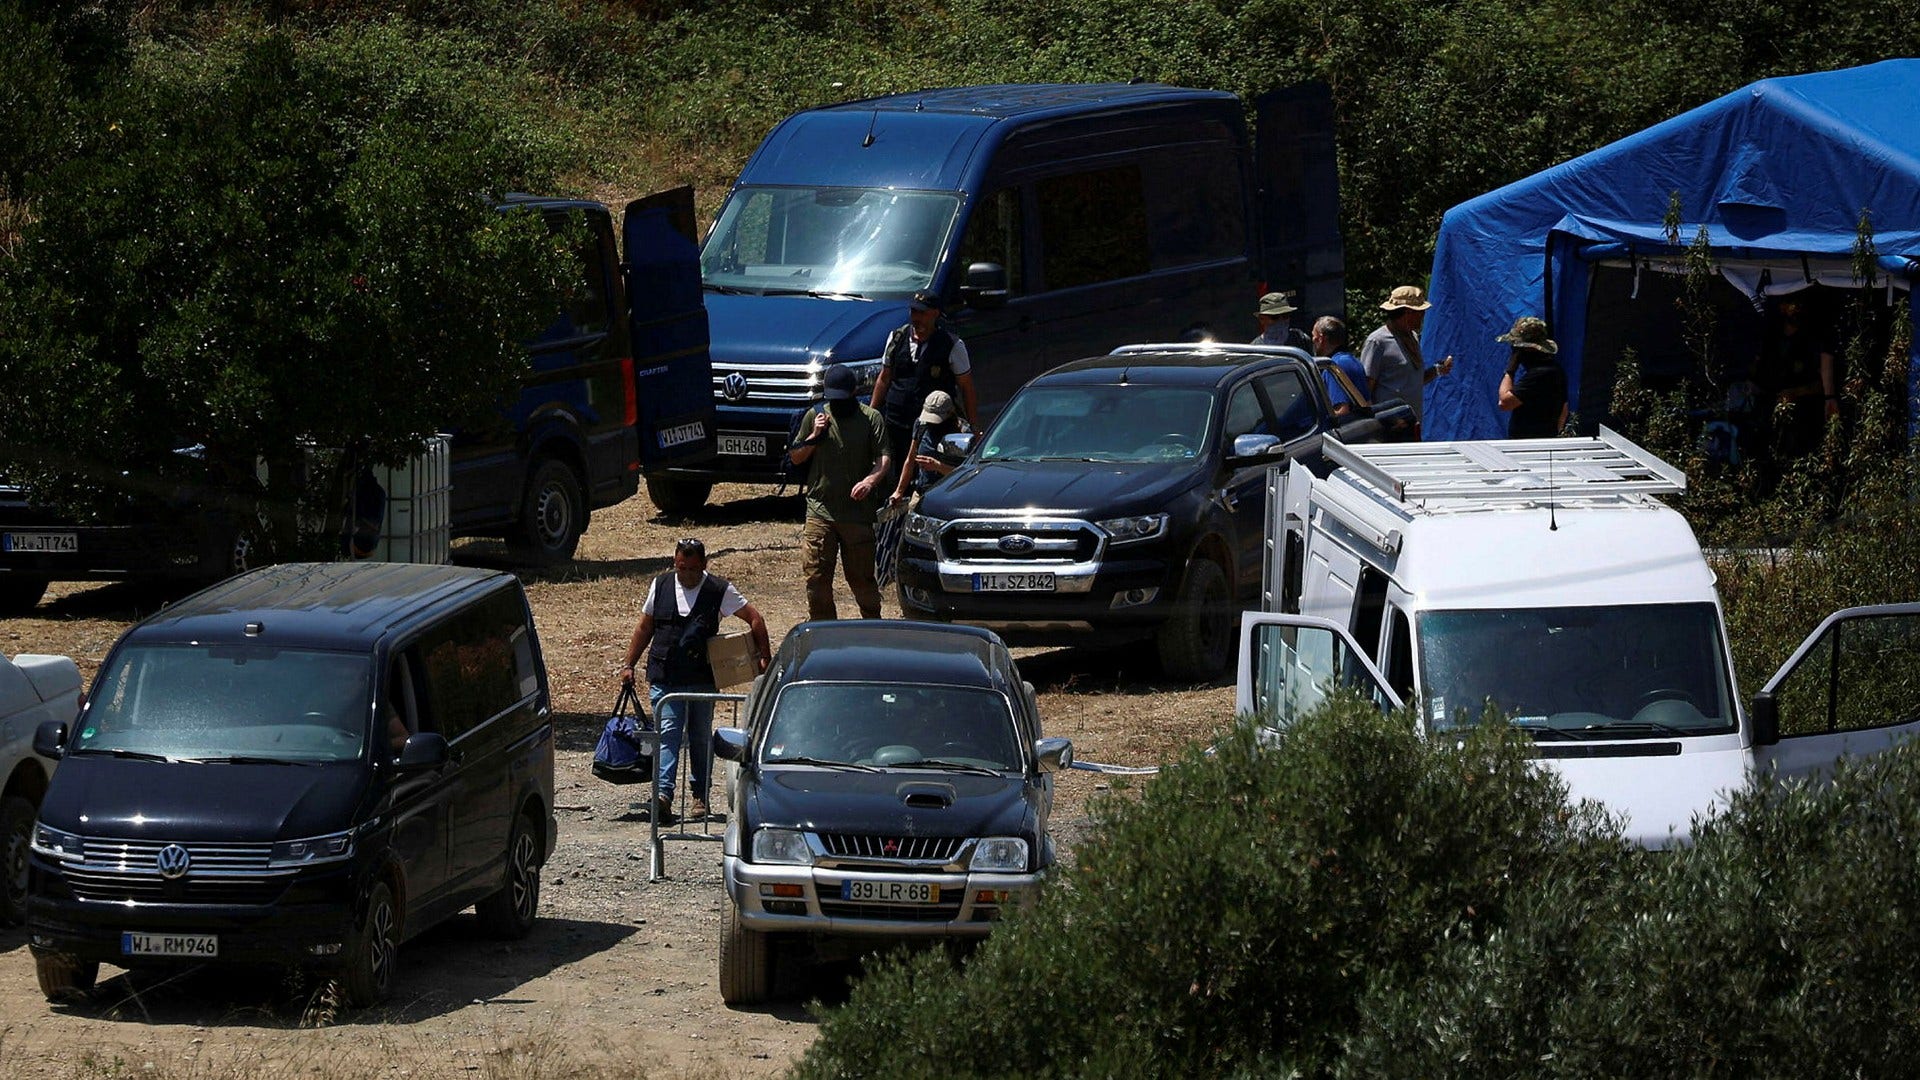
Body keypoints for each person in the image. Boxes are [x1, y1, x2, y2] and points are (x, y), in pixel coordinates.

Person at [621, 538, 771, 823]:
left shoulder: (719, 589)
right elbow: (645, 626)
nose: (687, 574)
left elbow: (754, 618)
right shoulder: (661, 585)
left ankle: (700, 794)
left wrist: (763, 657)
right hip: (665, 676)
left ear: (704, 565)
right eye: (681, 568)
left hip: (702, 677)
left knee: (701, 737)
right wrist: (628, 664)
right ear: (674, 563)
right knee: (668, 735)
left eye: (692, 569)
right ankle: (663, 796)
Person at [791, 363, 891, 620]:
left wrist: (870, 481)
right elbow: (796, 457)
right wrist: (814, 436)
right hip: (820, 510)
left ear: (854, 393)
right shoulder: (815, 416)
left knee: (862, 580)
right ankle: (825, 633)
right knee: (816, 579)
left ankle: (872, 629)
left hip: (857, 514)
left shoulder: (871, 418)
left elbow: (884, 457)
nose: (837, 404)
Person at [870, 290, 976, 477]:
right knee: (895, 474)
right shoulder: (896, 338)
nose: (916, 318)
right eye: (913, 312)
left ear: (935, 313)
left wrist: (973, 428)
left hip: (933, 427)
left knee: (928, 476)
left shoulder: (951, 344)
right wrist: (872, 415)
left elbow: (966, 387)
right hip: (897, 422)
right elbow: (884, 378)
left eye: (922, 313)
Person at [1359, 285, 1453, 435]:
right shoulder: (1377, 341)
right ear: (1408, 313)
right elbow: (1365, 389)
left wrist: (1437, 370)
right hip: (1388, 426)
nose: (1423, 316)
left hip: (1411, 424)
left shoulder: (1412, 337)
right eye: (1420, 312)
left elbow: (1412, 380)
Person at [1757, 297, 1838, 457]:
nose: (1796, 309)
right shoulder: (1773, 338)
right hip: (1773, 414)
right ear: (1782, 307)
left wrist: (1794, 393)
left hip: (1804, 414)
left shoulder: (1811, 341)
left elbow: (1820, 383)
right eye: (1792, 304)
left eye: (1799, 305)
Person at [887, 389, 966, 511]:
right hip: (922, 493)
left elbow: (965, 475)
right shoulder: (921, 425)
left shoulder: (963, 433)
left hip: (951, 495)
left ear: (950, 414)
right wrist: (899, 491)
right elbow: (910, 459)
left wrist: (937, 466)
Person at [1495, 316, 1569, 438]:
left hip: (1529, 447)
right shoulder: (1555, 370)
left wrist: (1510, 371)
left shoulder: (1540, 374)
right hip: (1542, 445)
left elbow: (1504, 402)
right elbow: (1564, 410)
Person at [1310, 316, 1370, 418]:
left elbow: (1342, 411)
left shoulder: (1332, 367)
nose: (1312, 340)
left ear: (1321, 338)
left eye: (1313, 335)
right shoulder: (1352, 360)